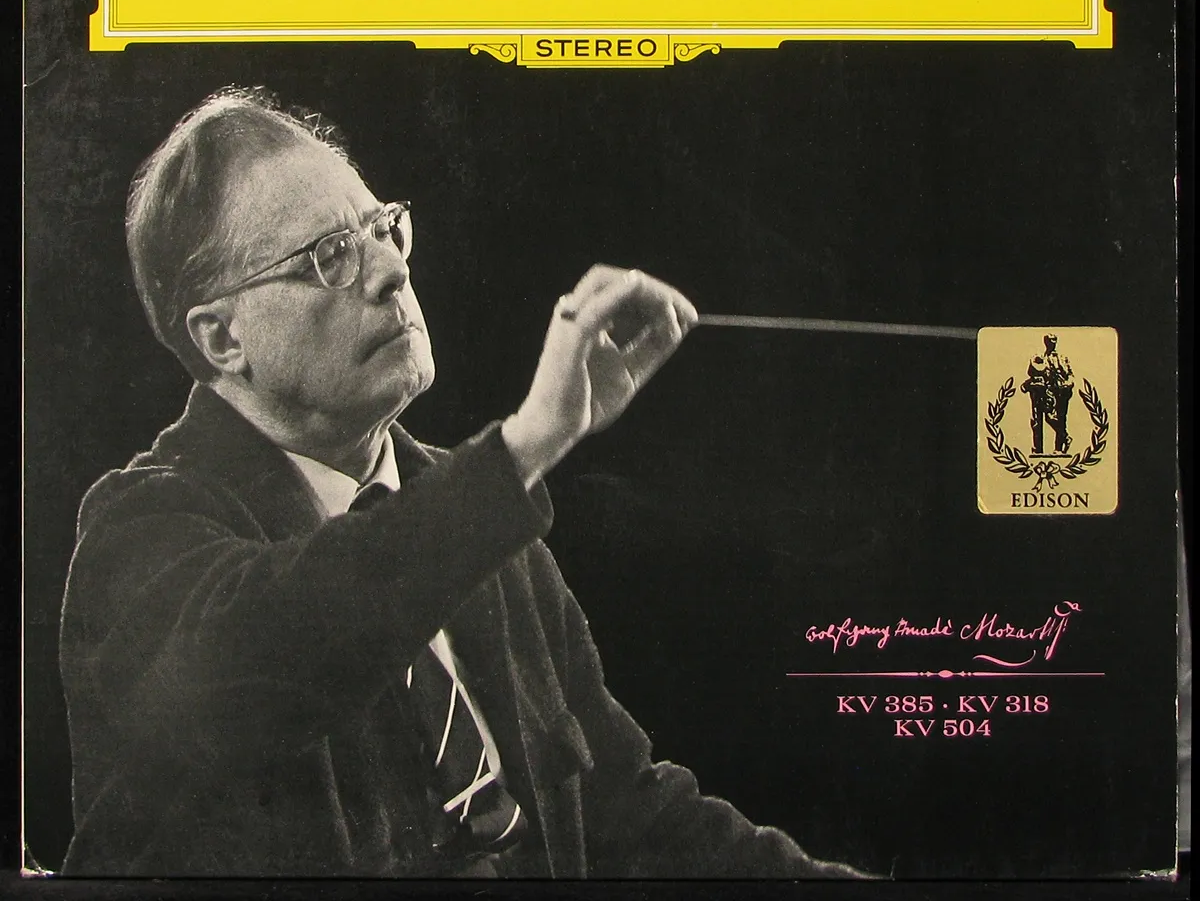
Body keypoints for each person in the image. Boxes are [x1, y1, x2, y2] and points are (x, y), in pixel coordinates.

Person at [59, 86, 863, 879]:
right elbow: (275, 644)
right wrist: (526, 445)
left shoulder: (476, 517)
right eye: (329, 256)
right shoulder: (140, 530)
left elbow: (631, 818)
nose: (389, 271)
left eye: (383, 229)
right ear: (223, 339)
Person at [1020, 333, 1075, 455]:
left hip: (1061, 391)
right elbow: (1034, 372)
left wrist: (1069, 384)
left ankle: (1059, 447)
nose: (1052, 343)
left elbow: (1070, 375)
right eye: (1050, 340)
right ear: (1045, 342)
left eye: (1054, 340)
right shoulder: (1040, 357)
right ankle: (1061, 439)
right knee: (1046, 418)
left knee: (1061, 418)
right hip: (1047, 391)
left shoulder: (1062, 358)